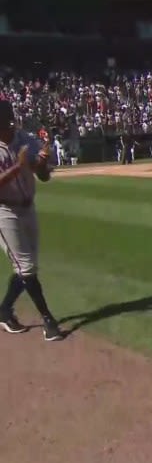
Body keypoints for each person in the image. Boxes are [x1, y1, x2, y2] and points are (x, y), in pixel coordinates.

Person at [0, 100, 63, 341]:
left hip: (28, 208)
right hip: (4, 212)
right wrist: (19, 166)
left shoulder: (23, 138)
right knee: (26, 268)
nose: (10, 128)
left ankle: (4, 310)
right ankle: (48, 320)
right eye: (4, 125)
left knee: (27, 270)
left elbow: (43, 176)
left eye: (10, 123)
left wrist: (41, 163)